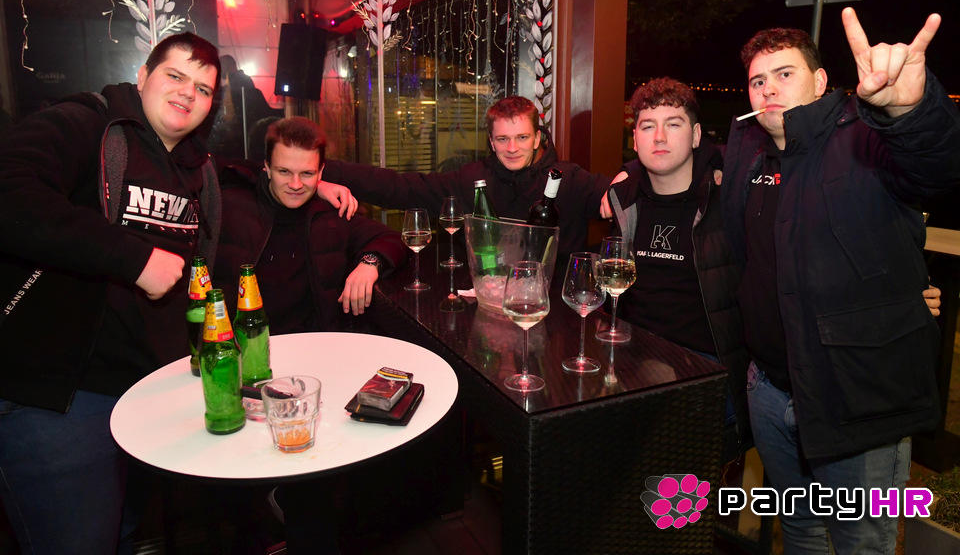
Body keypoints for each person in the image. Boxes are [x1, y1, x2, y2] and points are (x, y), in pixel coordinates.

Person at [721, 9, 960, 553]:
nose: (768, 89)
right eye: (758, 81)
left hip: (856, 399)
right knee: (800, 530)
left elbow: (938, 167)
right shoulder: (748, 153)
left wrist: (910, 111)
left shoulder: (864, 137)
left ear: (821, 80)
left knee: (861, 542)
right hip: (769, 391)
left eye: (785, 74)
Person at [0, 33, 221, 554]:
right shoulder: (87, 124)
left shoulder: (200, 172)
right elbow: (9, 189)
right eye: (175, 76)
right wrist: (134, 258)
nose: (188, 93)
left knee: (121, 537)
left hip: (146, 395)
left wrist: (320, 184)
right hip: (61, 398)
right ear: (142, 77)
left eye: (203, 89)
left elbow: (259, 180)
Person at [606, 77, 749, 455]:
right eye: (647, 126)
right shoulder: (623, 200)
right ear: (635, 139)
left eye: (674, 124)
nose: (659, 137)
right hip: (631, 357)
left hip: (707, 368)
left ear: (697, 135)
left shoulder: (728, 199)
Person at [319, 96, 612, 259]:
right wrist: (319, 172)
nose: (512, 148)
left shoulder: (570, 179)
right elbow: (399, 187)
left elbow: (624, 199)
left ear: (537, 138)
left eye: (522, 137)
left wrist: (628, 172)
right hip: (488, 306)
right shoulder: (472, 179)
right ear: (491, 142)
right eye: (503, 139)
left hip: (557, 314)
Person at [215, 116, 409, 333]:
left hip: (314, 344)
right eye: (284, 171)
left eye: (307, 173)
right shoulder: (230, 208)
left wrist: (369, 264)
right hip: (243, 344)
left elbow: (395, 239)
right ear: (267, 168)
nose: (295, 185)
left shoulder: (330, 215)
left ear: (321, 173)